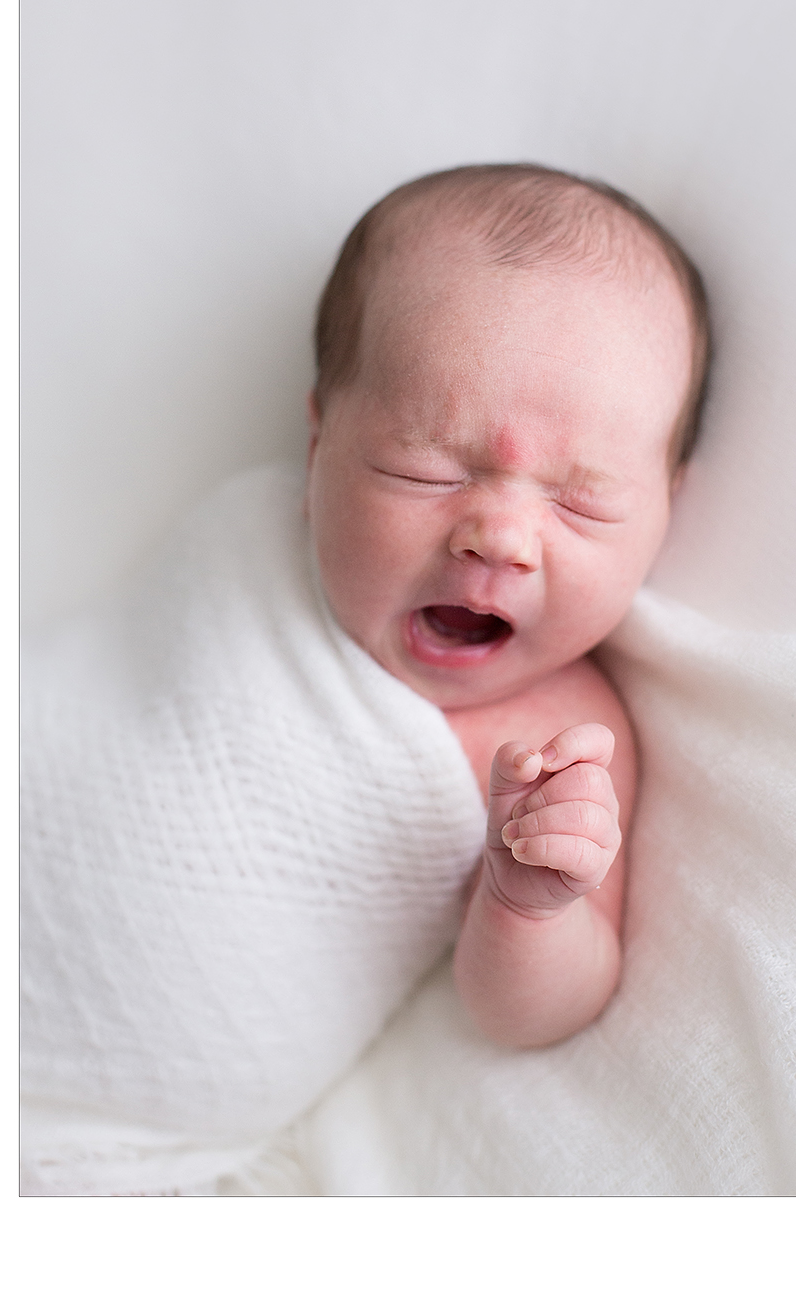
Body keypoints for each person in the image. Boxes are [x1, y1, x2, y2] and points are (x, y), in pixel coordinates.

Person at [306, 162, 709, 1047]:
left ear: (667, 510)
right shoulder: (255, 554)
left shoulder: (561, 742)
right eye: (426, 470)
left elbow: (526, 1021)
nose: (502, 540)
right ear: (316, 442)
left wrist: (530, 906)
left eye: (583, 504)